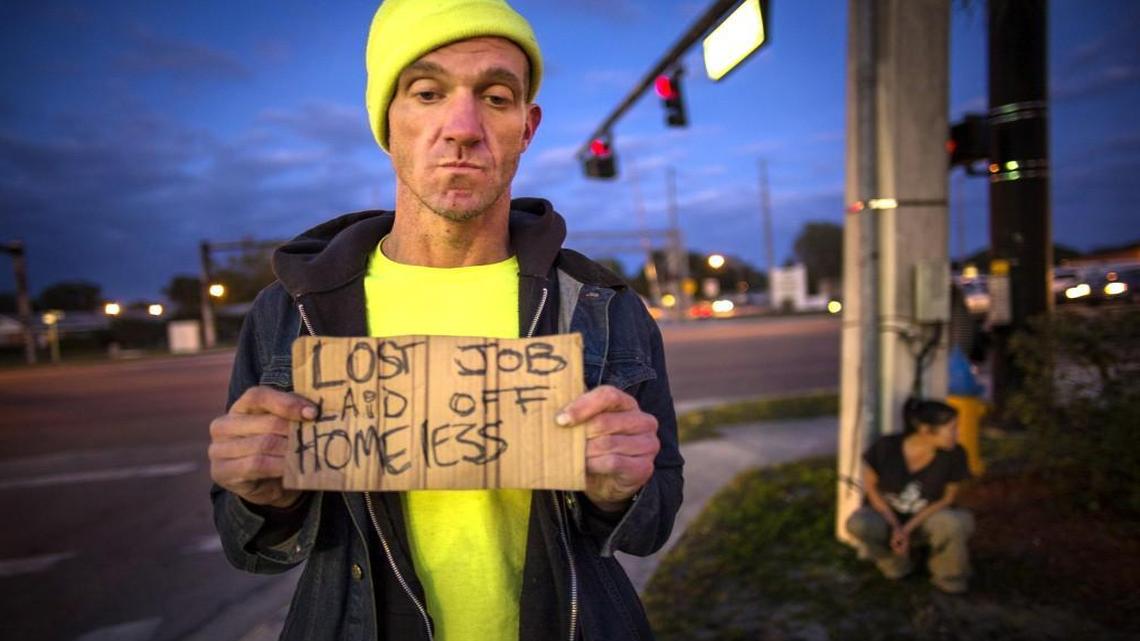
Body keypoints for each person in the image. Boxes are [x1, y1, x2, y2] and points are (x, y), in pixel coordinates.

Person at [207, 1, 683, 639]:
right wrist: (260, 496)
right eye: (428, 92)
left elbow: (651, 524)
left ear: (527, 126)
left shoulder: (601, 304)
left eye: (495, 97)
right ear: (387, 120)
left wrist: (621, 490)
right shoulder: (289, 310)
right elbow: (251, 545)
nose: (462, 126)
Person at [846, 398, 974, 593]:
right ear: (925, 430)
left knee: (955, 523)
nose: (957, 434)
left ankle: (949, 579)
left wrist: (906, 529)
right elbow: (871, 489)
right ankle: (896, 566)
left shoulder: (955, 455)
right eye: (952, 429)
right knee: (859, 523)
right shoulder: (886, 448)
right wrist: (895, 525)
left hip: (928, 517)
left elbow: (947, 498)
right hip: (888, 515)